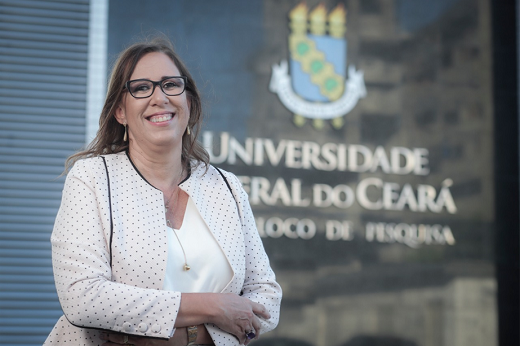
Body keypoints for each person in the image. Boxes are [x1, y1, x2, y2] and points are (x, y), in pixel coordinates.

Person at [44, 37, 282, 346]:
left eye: (171, 84)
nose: (160, 97)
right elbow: (83, 297)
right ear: (120, 111)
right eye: (142, 88)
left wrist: (176, 335)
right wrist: (215, 307)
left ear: (189, 102)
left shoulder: (227, 187)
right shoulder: (91, 178)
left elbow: (267, 298)